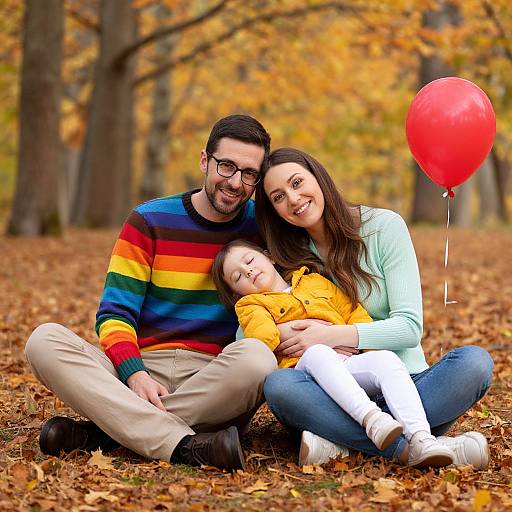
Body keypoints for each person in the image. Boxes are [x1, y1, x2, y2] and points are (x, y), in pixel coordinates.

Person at [24, 114, 277, 471]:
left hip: (215, 378)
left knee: (259, 357)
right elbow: (115, 315)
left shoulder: (264, 228)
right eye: (226, 166)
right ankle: (183, 445)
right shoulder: (149, 220)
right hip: (140, 371)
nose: (236, 182)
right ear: (205, 160)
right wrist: (134, 373)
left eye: (249, 173)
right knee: (44, 340)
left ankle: (106, 432)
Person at [254, 147, 493, 469]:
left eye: (297, 183)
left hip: (409, 385)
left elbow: (408, 328)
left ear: (319, 178)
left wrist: (328, 336)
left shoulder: (383, 227)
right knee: (280, 386)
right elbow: (251, 324)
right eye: (278, 197)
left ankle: (342, 445)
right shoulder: (287, 255)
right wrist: (281, 331)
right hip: (331, 394)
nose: (293, 199)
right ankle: (418, 446)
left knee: (474, 363)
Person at [212, 239, 455, 467]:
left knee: (386, 360)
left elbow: (353, 311)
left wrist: (355, 342)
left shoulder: (314, 281)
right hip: (306, 377)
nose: (248, 271)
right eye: (238, 276)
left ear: (270, 256)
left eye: (250, 261)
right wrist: (285, 331)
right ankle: (373, 420)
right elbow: (261, 339)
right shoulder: (250, 305)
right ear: (237, 293)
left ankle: (422, 438)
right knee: (318, 352)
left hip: (347, 362)